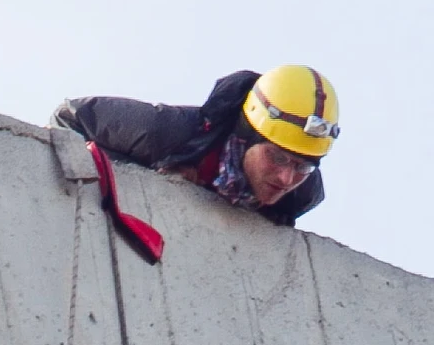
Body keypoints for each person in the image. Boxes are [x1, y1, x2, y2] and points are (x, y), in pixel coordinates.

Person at [53, 66, 339, 226]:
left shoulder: (302, 194)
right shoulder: (171, 133)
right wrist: (142, 182)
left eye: (303, 165)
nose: (286, 179)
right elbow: (70, 117)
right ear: (245, 135)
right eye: (276, 157)